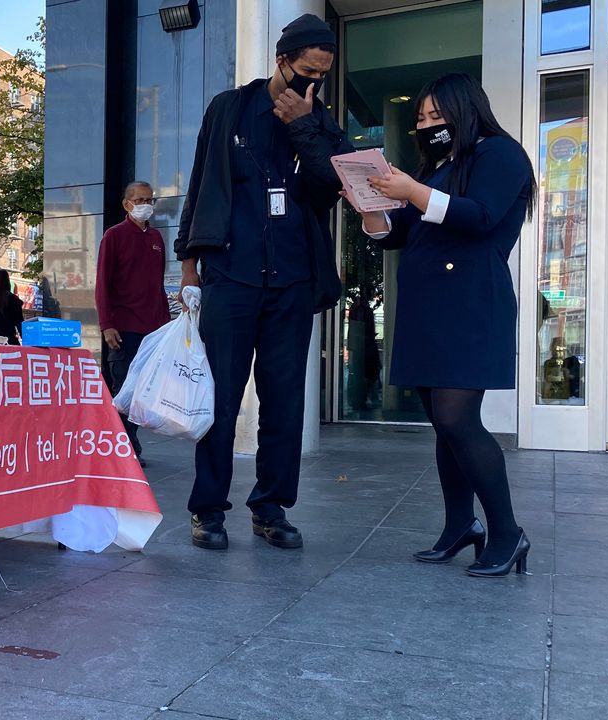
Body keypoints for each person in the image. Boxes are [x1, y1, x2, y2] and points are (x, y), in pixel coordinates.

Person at [177, 14, 350, 552]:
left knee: (283, 402)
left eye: (321, 76)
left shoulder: (322, 125)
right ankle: (208, 509)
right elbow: (201, 180)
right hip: (231, 274)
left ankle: (270, 508)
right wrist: (188, 264)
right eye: (304, 73)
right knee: (220, 400)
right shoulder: (230, 108)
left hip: (293, 281)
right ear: (282, 62)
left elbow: (336, 185)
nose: (311, 85)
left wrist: (304, 124)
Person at [358, 72, 536, 577]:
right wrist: (373, 213)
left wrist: (411, 189)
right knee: (442, 424)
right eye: (421, 118)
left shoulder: (500, 154)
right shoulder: (438, 168)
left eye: (438, 116)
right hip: (426, 308)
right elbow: (400, 236)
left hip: (471, 303)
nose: (429, 125)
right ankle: (461, 525)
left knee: (459, 419)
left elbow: (479, 217)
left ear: (466, 109)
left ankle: (507, 533)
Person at [96, 181, 172, 465]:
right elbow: (102, 283)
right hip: (123, 328)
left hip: (153, 329)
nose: (145, 204)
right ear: (126, 204)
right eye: (139, 199)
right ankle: (123, 446)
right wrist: (107, 324)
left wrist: (166, 326)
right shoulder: (114, 236)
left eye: (149, 200)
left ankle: (128, 442)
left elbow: (157, 285)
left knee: (142, 391)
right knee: (123, 390)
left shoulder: (156, 239)